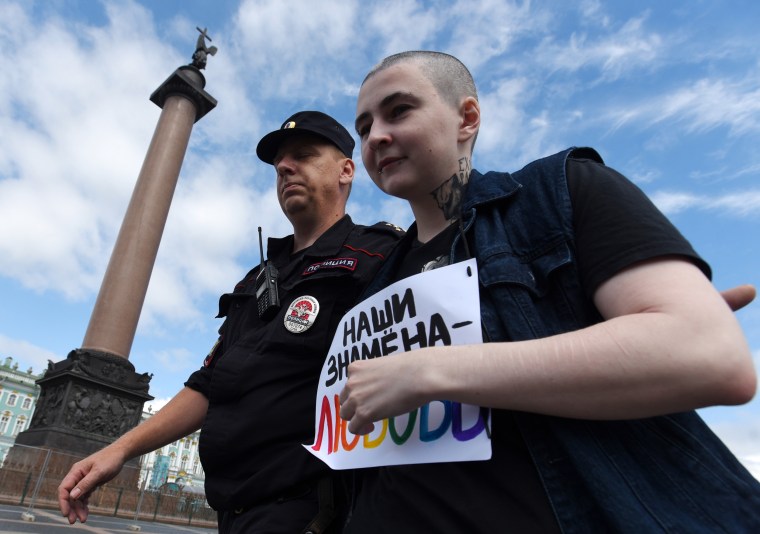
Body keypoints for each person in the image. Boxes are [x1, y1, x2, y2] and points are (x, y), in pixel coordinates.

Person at [339, 51, 760, 532]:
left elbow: (707, 354)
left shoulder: (557, 193)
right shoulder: (373, 286)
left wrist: (432, 368)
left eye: (399, 111)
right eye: (364, 127)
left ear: (467, 118)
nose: (376, 137)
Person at [57, 110, 403, 533]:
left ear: (346, 170)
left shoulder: (380, 257)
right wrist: (120, 449)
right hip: (234, 513)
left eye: (304, 155)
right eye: (279, 164)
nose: (284, 167)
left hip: (313, 511)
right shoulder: (257, 280)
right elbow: (209, 382)